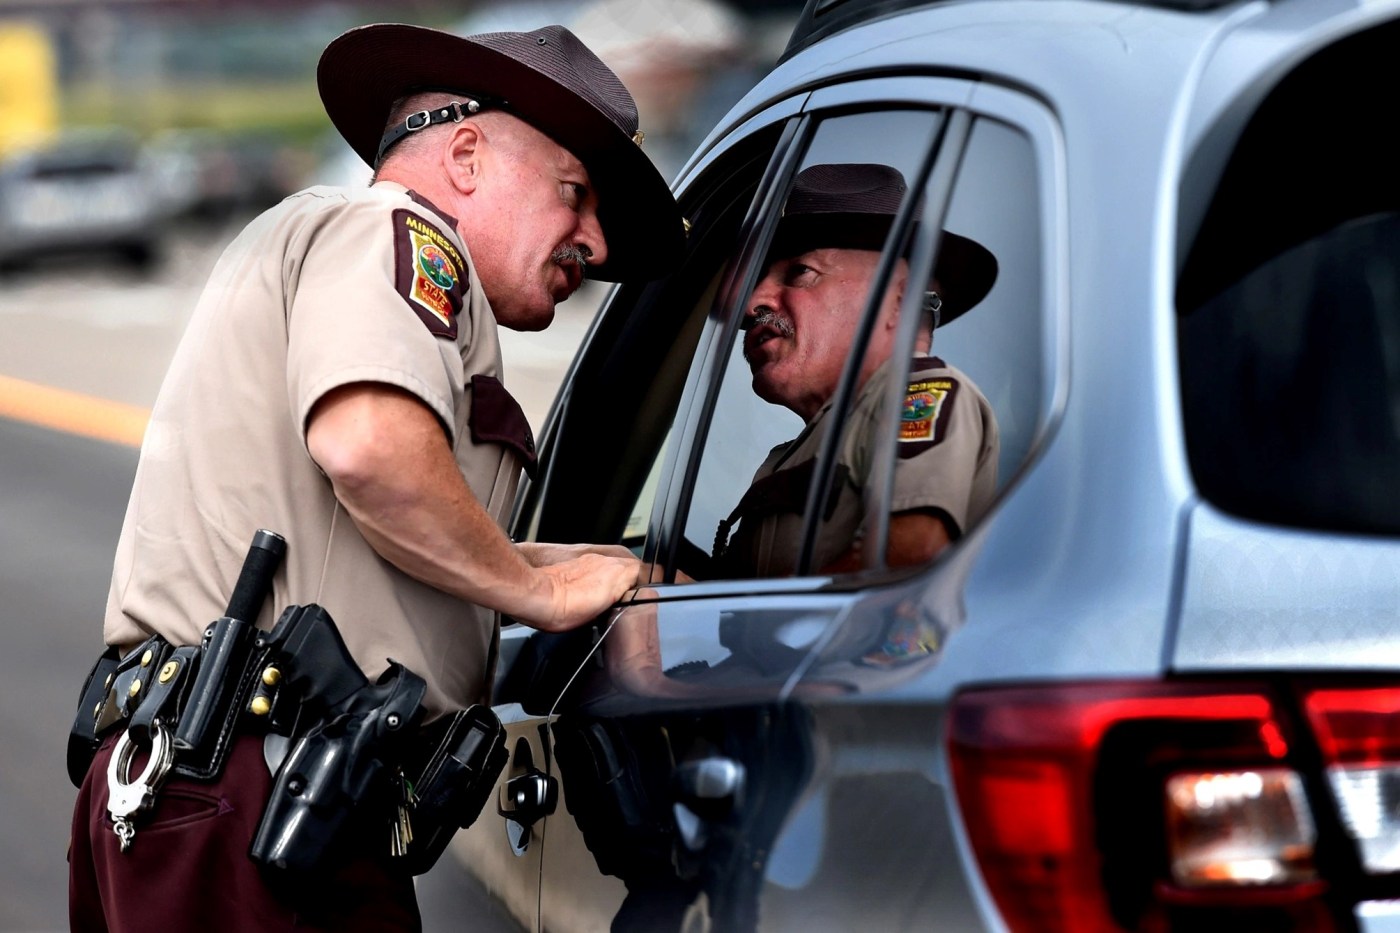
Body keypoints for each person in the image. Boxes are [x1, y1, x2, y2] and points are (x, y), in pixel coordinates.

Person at [67, 22, 684, 932]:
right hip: (256, 795)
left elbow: (380, 545)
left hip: (235, 792)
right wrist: (541, 593)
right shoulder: (398, 232)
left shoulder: (336, 247)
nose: (592, 242)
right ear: (465, 156)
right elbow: (370, 449)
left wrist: (593, 568)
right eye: (574, 194)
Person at [714, 161, 1000, 577]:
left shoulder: (915, 395)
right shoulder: (793, 454)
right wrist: (642, 579)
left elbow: (906, 561)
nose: (753, 303)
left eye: (800, 272)